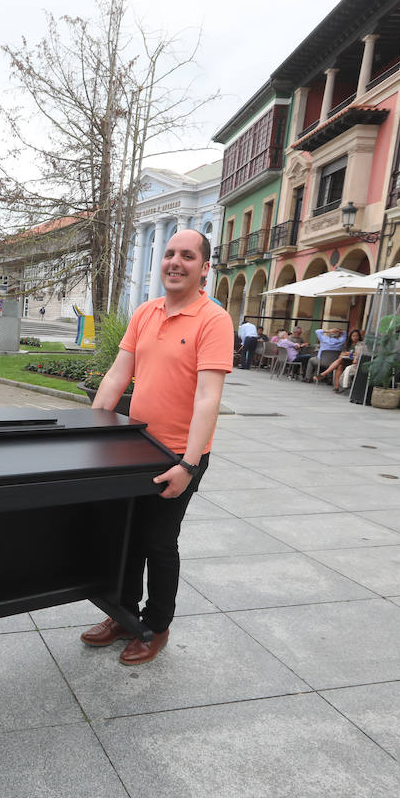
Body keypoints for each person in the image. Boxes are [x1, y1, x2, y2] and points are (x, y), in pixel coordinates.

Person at [82, 228, 233, 665]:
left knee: (158, 542)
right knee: (125, 537)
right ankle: (122, 613)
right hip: (134, 445)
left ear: (204, 269)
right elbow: (116, 375)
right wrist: (92, 431)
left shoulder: (213, 320)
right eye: (169, 253)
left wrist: (188, 463)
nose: (174, 262)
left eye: (187, 255)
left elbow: (209, 399)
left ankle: (156, 625)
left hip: (179, 454)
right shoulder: (145, 312)